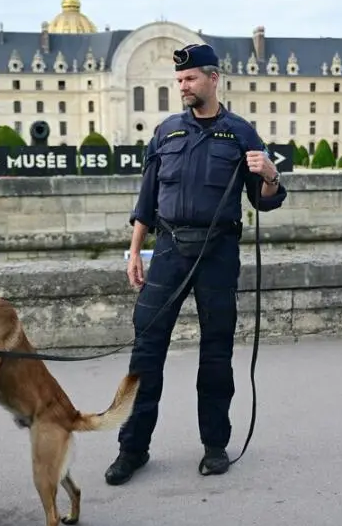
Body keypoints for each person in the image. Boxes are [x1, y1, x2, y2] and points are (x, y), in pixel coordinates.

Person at [104, 43, 288, 486]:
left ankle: (214, 446)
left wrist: (270, 175)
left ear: (213, 78)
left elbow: (266, 203)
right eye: (179, 81)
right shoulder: (166, 132)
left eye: (190, 79)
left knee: (216, 353)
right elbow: (146, 199)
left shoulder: (241, 134)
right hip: (167, 250)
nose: (183, 87)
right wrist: (134, 251)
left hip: (218, 253)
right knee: (145, 352)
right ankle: (132, 449)